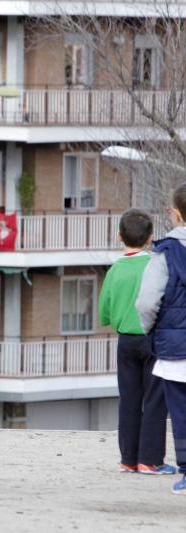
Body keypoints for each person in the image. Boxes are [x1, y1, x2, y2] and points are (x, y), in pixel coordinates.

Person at [99, 209, 171, 475]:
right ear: (151, 237)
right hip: (152, 337)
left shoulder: (114, 270)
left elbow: (104, 313)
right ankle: (149, 459)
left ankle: (128, 459)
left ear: (120, 236)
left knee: (129, 400)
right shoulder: (157, 265)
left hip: (125, 341)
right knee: (154, 399)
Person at [136, 183, 186, 495]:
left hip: (176, 349)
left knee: (180, 411)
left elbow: (146, 302)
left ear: (176, 214)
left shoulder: (165, 252)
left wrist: (151, 329)